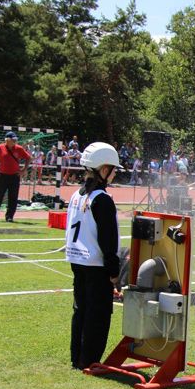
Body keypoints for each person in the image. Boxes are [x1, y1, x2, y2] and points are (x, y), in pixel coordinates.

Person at [64, 143, 122, 370]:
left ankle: (77, 357)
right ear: (104, 169)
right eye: (113, 169)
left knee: (80, 310)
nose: (114, 174)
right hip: (96, 265)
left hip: (77, 260)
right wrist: (114, 272)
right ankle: (89, 360)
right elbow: (108, 239)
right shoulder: (102, 199)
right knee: (97, 314)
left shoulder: (75, 195)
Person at [0, 132, 31, 222]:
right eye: (12, 140)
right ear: (7, 140)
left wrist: (24, 169)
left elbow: (28, 158)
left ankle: (9, 217)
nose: (14, 141)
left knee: (13, 197)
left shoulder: (19, 148)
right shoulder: (0, 148)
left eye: (15, 140)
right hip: (3, 176)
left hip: (15, 176)